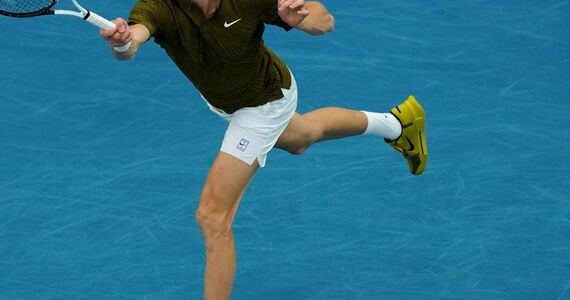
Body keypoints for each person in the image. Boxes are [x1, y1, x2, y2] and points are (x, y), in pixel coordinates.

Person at [99, 0, 427, 298]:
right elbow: (133, 42)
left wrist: (301, 19)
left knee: (212, 217)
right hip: (230, 102)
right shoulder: (158, 6)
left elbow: (325, 22)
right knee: (303, 137)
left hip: (264, 103)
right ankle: (398, 123)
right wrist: (124, 41)